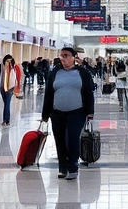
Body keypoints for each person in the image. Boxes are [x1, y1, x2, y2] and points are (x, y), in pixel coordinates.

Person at [41, 47, 95, 180]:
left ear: (73, 57)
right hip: (57, 113)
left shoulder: (82, 73)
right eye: (61, 55)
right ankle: (62, 167)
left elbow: (89, 92)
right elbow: (48, 94)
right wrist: (45, 114)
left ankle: (73, 167)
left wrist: (90, 112)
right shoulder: (54, 73)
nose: (63, 58)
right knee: (59, 140)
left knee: (71, 139)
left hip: (77, 112)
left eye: (66, 55)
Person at [0, 54, 21, 127]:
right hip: (2, 87)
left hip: (10, 88)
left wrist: (17, 88)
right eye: (7, 60)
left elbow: (17, 78)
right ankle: (5, 120)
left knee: (7, 104)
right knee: (6, 104)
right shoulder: (2, 67)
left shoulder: (14, 68)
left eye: (9, 61)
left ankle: (6, 120)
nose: (8, 62)